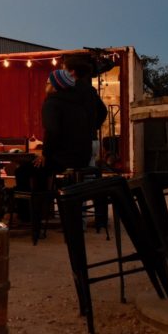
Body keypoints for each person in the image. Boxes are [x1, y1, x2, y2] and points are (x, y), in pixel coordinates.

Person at [13, 69, 98, 222]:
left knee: (23, 172)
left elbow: (52, 131)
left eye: (47, 82)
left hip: (64, 158)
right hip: (82, 157)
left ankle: (27, 217)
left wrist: (45, 153)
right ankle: (43, 211)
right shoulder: (78, 103)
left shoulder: (52, 103)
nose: (45, 85)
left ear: (55, 86)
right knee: (40, 169)